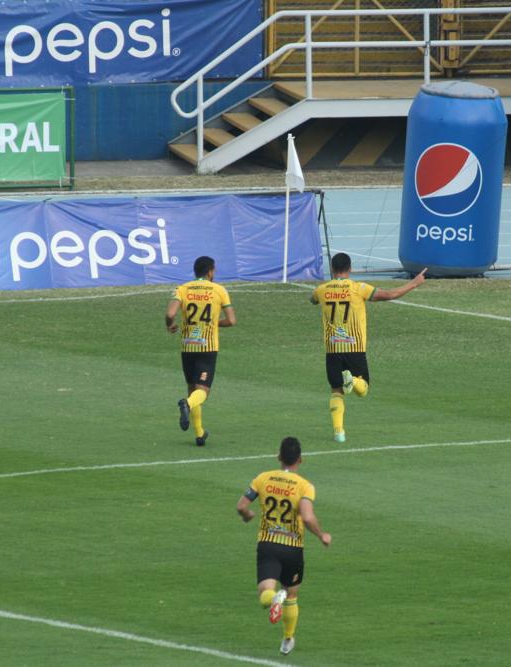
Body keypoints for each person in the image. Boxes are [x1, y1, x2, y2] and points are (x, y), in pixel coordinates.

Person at [310, 252, 426, 442]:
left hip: (332, 350)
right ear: (350, 269)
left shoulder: (321, 290)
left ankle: (339, 432)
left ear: (331, 269)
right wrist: (414, 283)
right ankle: (352, 381)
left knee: (336, 391)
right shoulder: (359, 288)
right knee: (363, 388)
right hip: (354, 348)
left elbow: (312, 299)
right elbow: (388, 295)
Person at [235, 436, 331, 656]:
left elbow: (241, 506)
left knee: (264, 595)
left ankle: (274, 597)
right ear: (301, 459)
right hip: (293, 548)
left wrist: (247, 515)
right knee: (292, 596)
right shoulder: (305, 486)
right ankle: (287, 639)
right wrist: (321, 535)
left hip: (268, 544)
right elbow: (307, 517)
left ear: (279, 456)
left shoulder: (263, 478)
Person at [165, 256, 235, 446]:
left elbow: (170, 314)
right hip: (207, 347)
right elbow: (231, 320)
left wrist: (170, 325)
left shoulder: (182, 289)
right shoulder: (219, 290)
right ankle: (186, 404)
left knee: (192, 388)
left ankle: (199, 433)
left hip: (187, 346)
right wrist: (214, 323)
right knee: (202, 391)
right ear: (211, 271)